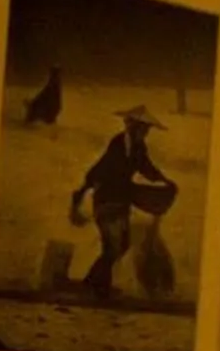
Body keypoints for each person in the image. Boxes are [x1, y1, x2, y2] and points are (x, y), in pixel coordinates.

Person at [70, 106, 176, 299]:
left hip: (121, 201)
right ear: (133, 128)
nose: (146, 133)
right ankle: (94, 285)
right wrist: (85, 190)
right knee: (113, 245)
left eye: (147, 130)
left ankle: (97, 284)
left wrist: (164, 179)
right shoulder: (118, 144)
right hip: (107, 200)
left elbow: (146, 168)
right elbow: (99, 170)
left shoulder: (138, 148)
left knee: (120, 244)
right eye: (143, 129)